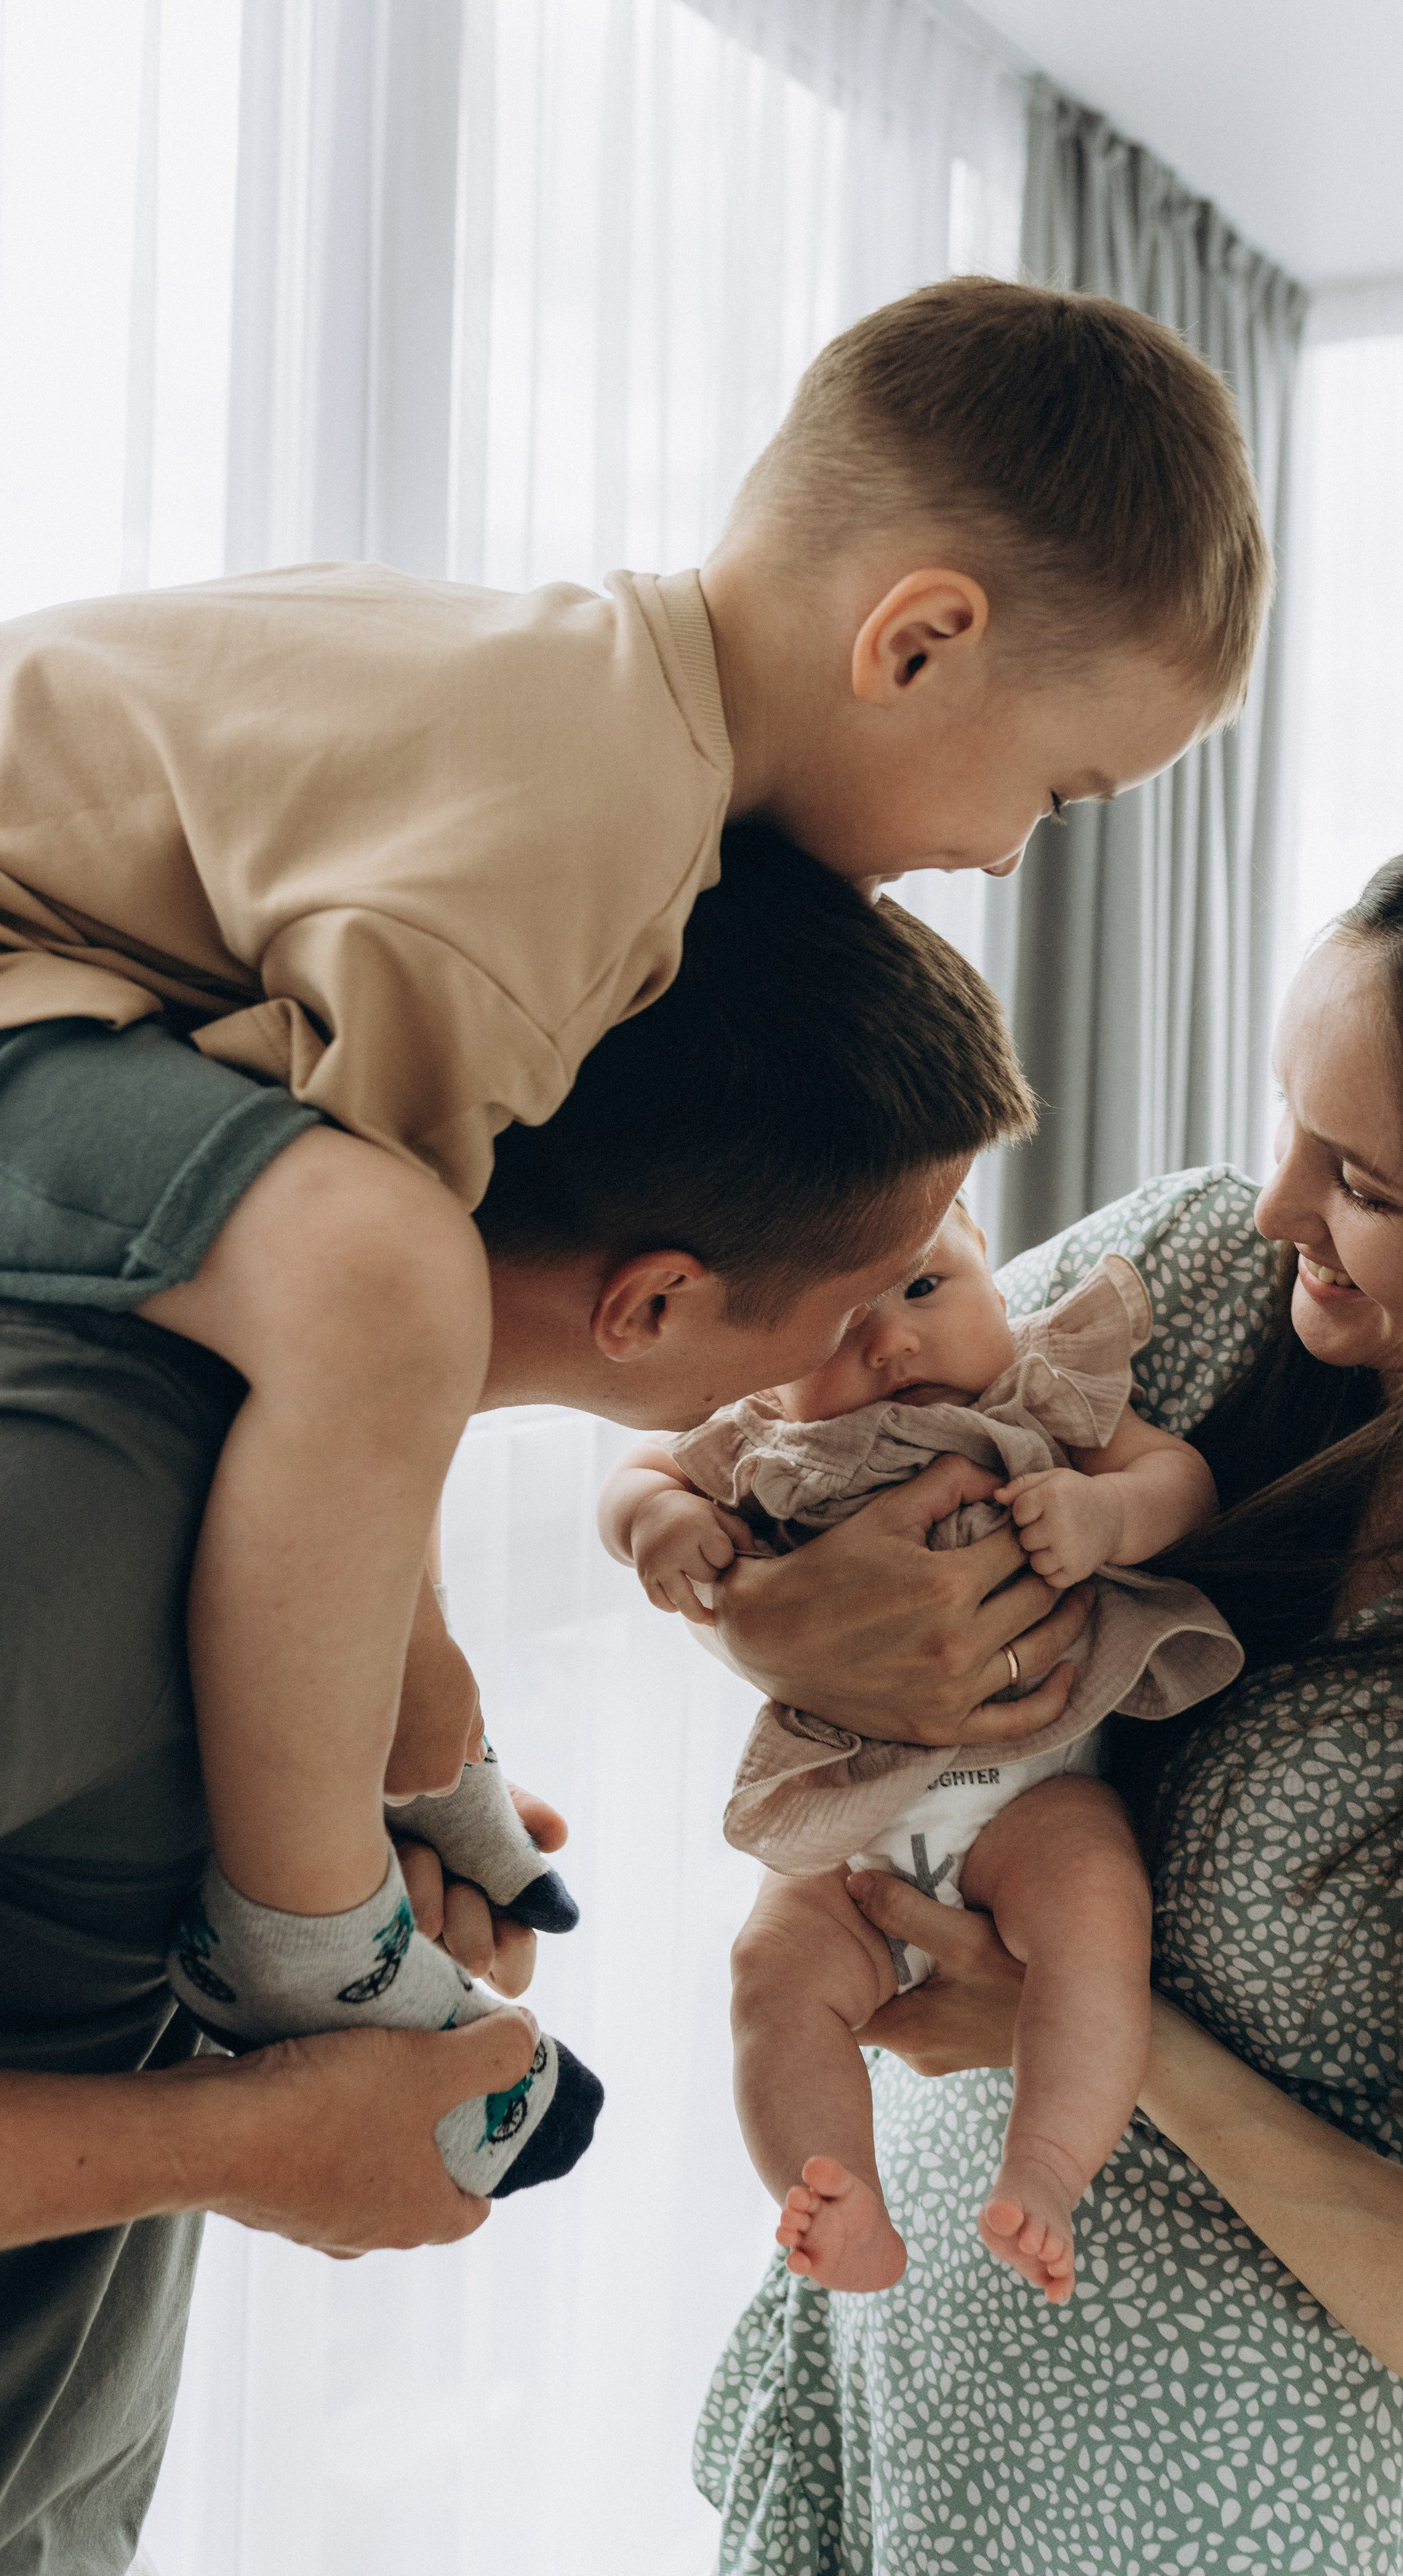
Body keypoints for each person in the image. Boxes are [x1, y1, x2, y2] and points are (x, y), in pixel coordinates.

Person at [0, 280, 1265, 2189]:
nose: (1014, 855)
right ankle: (303, 1920)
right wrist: (402, 1715)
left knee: (371, 1274)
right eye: (1056, 790)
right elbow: (384, 1298)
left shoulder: (597, 706)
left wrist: (426, 1717)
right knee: (381, 1272)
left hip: (58, 993)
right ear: (919, 639)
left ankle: (353, 1822)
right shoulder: (562, 833)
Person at [0, 832, 1038, 2571]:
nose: (898, 1365)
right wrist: (251, 2145)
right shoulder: (86, 1492)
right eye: (867, 1303)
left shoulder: (323, 1472)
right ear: (652, 1309)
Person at [694, 822, 1403, 2571]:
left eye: (1369, 1186)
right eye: (1290, 1121)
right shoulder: (1208, 1287)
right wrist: (770, 1615)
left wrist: (1094, 2044)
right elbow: (825, 1452)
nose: (1275, 1207)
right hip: (895, 2429)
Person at [602, 1203, 1233, 2301]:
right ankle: (841, 2197)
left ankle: (1045, 2163)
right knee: (772, 1973)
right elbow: (637, 1471)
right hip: (849, 1824)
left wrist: (1104, 1513)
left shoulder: (1044, 1387)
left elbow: (1182, 1483)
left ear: (984, 1252)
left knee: (1095, 1905)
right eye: (838, 1324)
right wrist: (654, 1522)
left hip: (1033, 1798)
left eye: (923, 1288)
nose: (889, 1342)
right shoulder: (765, 1434)